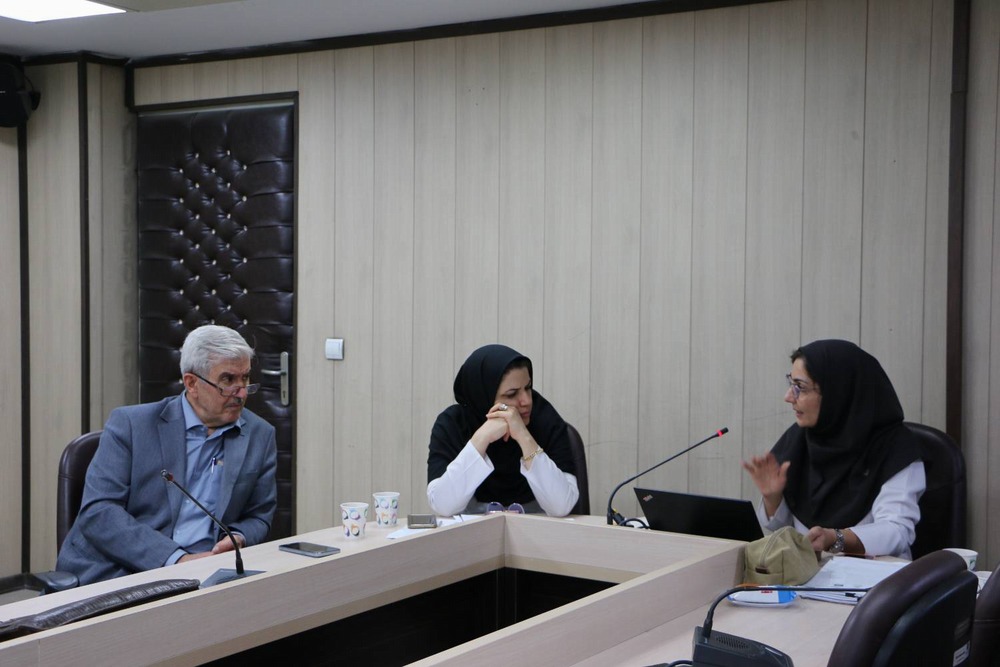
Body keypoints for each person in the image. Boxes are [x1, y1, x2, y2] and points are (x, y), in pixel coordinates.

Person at [57, 325, 277, 585]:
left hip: (210, 570)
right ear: (192, 383)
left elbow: (259, 515)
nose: (241, 392)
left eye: (245, 378)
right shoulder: (131, 425)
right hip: (123, 568)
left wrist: (238, 537)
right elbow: (99, 512)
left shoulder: (260, 434)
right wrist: (176, 560)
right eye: (228, 380)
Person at [742, 339, 926, 559]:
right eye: (791, 383)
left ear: (837, 392)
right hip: (808, 572)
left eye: (800, 387)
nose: (788, 397)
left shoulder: (896, 448)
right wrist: (773, 498)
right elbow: (785, 531)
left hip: (877, 575)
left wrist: (836, 538)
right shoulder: (800, 439)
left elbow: (897, 532)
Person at [427, 344, 580, 517]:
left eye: (528, 388)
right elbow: (442, 505)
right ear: (482, 395)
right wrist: (481, 438)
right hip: (472, 528)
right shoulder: (453, 424)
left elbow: (561, 506)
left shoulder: (544, 418)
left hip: (535, 526)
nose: (526, 401)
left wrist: (524, 437)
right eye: (512, 394)